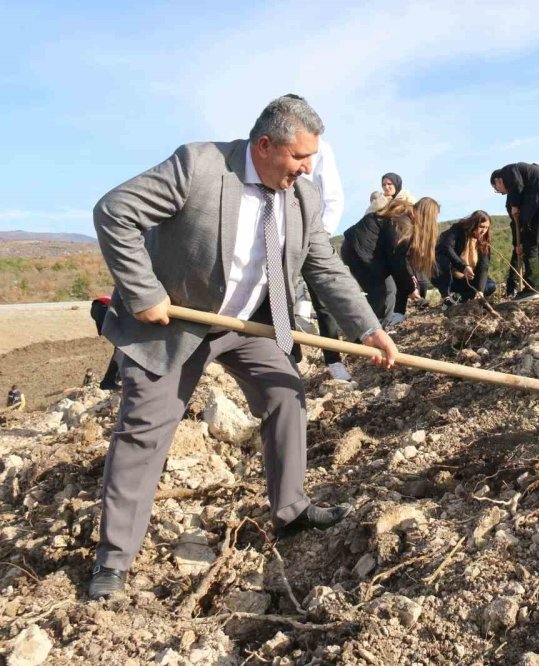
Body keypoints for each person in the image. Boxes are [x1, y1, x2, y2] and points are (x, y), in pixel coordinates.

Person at [89, 95, 398, 600]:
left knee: (286, 394)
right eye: (299, 158)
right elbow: (115, 211)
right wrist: (143, 292)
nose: (306, 168)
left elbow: (323, 265)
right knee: (145, 431)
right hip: (176, 321)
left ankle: (291, 510)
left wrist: (367, 328)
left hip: (243, 323)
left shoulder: (303, 198)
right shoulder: (199, 166)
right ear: (264, 145)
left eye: (311, 159)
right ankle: (113, 562)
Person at [284, 96, 351, 382]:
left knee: (323, 298)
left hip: (314, 232)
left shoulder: (321, 149)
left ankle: (333, 361)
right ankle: (289, 356)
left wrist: (318, 235)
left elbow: (333, 196)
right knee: (279, 295)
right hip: (281, 232)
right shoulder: (274, 145)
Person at [340, 197, 440, 322]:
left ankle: (382, 326)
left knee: (389, 290)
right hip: (358, 252)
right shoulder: (403, 223)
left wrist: (409, 284)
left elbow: (401, 261)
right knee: (380, 293)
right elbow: (397, 261)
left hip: (358, 250)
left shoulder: (404, 217)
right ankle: (366, 333)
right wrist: (411, 287)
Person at [491, 163, 539, 299]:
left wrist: (514, 205)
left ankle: (533, 286)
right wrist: (517, 244)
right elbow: (517, 224)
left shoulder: (507, 171)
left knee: (530, 243)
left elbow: (516, 185)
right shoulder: (530, 178)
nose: (502, 192)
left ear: (498, 180)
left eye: (497, 189)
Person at [432, 210, 496, 302]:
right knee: (441, 258)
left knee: (490, 285)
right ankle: (446, 295)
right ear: (474, 224)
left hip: (468, 280)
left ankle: (458, 297)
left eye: (486, 228)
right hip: (451, 278)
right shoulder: (458, 229)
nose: (483, 231)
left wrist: (480, 291)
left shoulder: (484, 241)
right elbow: (446, 247)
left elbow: (484, 267)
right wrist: (463, 267)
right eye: (481, 227)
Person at [90, 295, 123, 390]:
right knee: (124, 347)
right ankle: (109, 382)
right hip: (104, 307)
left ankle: (116, 378)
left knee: (123, 347)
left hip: (99, 306)